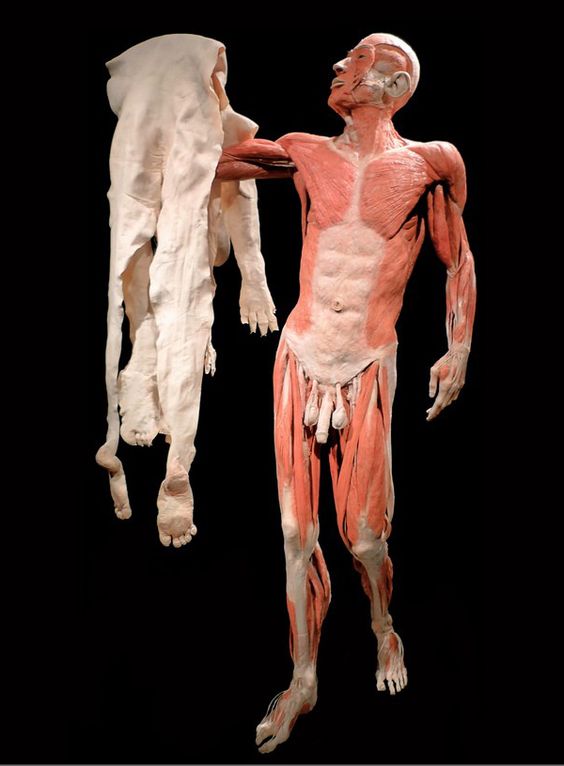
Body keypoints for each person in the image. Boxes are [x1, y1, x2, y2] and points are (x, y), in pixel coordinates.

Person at [216, 32, 477, 753]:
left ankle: (383, 626)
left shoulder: (430, 163)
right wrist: (187, 98)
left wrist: (458, 348)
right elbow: (206, 164)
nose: (338, 66)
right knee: (295, 536)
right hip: (300, 355)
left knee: (364, 536)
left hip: (364, 363)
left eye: (357, 60)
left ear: (395, 84)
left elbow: (458, 261)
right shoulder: (302, 150)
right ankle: (303, 678)